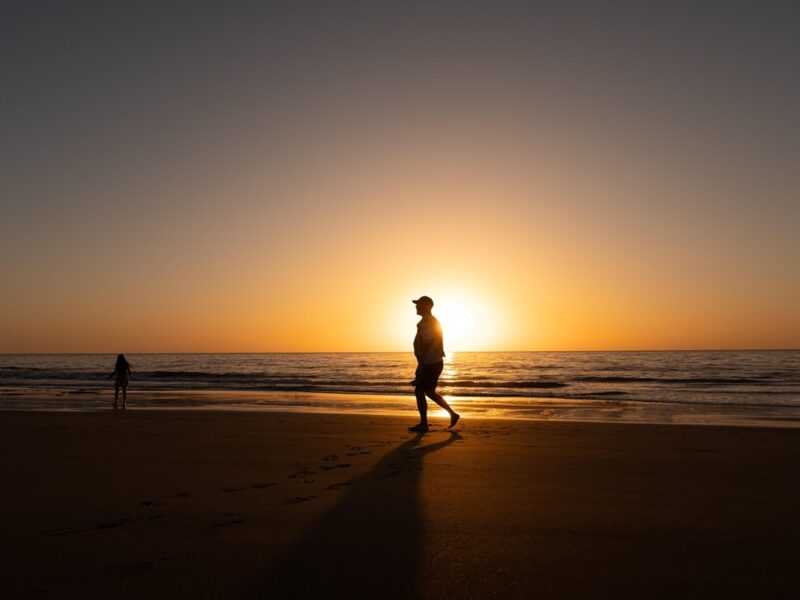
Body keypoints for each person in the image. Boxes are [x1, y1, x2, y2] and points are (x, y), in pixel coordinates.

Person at [409, 296, 460, 432]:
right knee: (429, 392)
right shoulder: (426, 322)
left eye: (418, 304)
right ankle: (453, 414)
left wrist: (422, 369)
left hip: (430, 363)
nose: (416, 307)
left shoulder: (428, 323)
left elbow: (428, 345)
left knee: (419, 391)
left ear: (426, 306)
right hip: (431, 362)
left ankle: (424, 424)